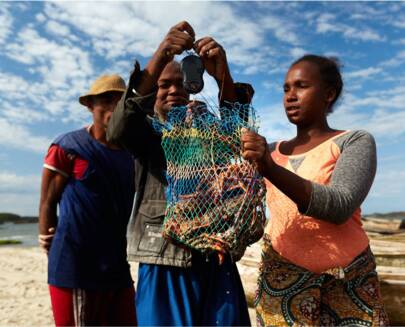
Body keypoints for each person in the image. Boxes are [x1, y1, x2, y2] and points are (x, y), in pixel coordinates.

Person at [107, 21, 254, 326]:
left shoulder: (206, 126)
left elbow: (240, 133)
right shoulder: (146, 132)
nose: (174, 91)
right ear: (151, 93)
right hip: (163, 259)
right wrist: (161, 54)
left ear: (191, 85)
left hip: (215, 255)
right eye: (163, 85)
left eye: (179, 83)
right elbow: (118, 127)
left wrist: (221, 73)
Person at [241, 54, 389, 326]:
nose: (290, 96)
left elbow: (340, 205)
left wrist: (270, 168)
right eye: (286, 89)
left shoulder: (354, 141)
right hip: (281, 278)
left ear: (328, 94)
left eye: (301, 86)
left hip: (349, 279)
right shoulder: (271, 150)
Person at [38, 74, 137, 326]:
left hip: (116, 264)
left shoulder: (133, 154)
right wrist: (48, 241)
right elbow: (48, 201)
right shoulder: (68, 146)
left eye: (121, 101)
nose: (114, 107)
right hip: (77, 267)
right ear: (90, 106)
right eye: (106, 100)